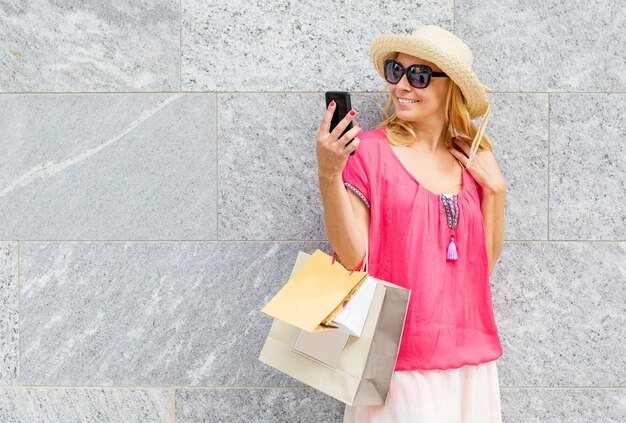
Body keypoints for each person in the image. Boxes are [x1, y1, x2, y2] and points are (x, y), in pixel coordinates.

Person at [316, 25, 507, 422]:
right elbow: (353, 258)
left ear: (449, 88)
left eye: (418, 75)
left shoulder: (469, 161)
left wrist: (496, 190)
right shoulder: (368, 152)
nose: (401, 86)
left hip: (469, 362)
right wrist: (329, 175)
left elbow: (480, 269)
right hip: (396, 361)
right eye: (394, 71)